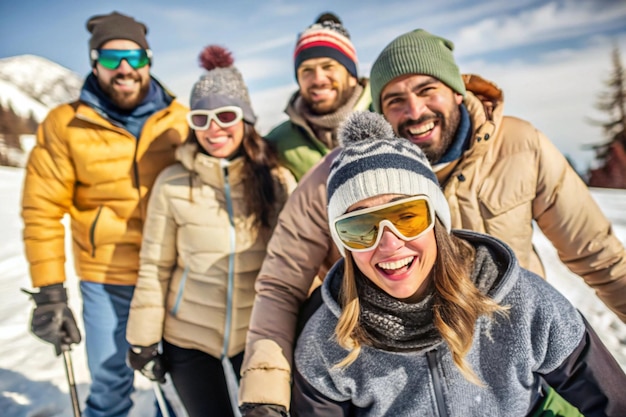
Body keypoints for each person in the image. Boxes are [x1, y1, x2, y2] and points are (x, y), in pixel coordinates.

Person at [238, 28, 626, 415]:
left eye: (427, 90)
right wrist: (265, 396)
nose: (414, 110)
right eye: (394, 99)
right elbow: (281, 284)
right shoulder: (337, 178)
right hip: (383, 357)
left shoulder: (520, 148)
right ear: (378, 111)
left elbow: (598, 254)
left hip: (512, 366)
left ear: (457, 90)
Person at [291, 110, 626, 416]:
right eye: (361, 228)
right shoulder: (328, 344)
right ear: (344, 245)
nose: (389, 243)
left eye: (407, 216)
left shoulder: (520, 304)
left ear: (437, 221)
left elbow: (612, 401)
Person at [21, 11, 188, 417]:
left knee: (181, 378)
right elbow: (41, 209)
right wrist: (49, 293)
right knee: (111, 376)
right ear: (95, 61)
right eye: (112, 59)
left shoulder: (180, 120)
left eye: (134, 57)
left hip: (176, 273)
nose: (125, 69)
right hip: (106, 278)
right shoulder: (65, 124)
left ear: (148, 59)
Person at [125, 45, 296, 417]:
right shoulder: (173, 183)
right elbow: (155, 266)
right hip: (187, 337)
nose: (213, 128)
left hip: (257, 334)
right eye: (201, 118)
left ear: (246, 119)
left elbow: (298, 263)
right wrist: (143, 340)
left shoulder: (277, 180)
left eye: (225, 115)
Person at [265, 12, 372, 181]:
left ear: (352, 75)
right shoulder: (278, 142)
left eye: (328, 66)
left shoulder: (391, 115)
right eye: (306, 70)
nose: (318, 79)